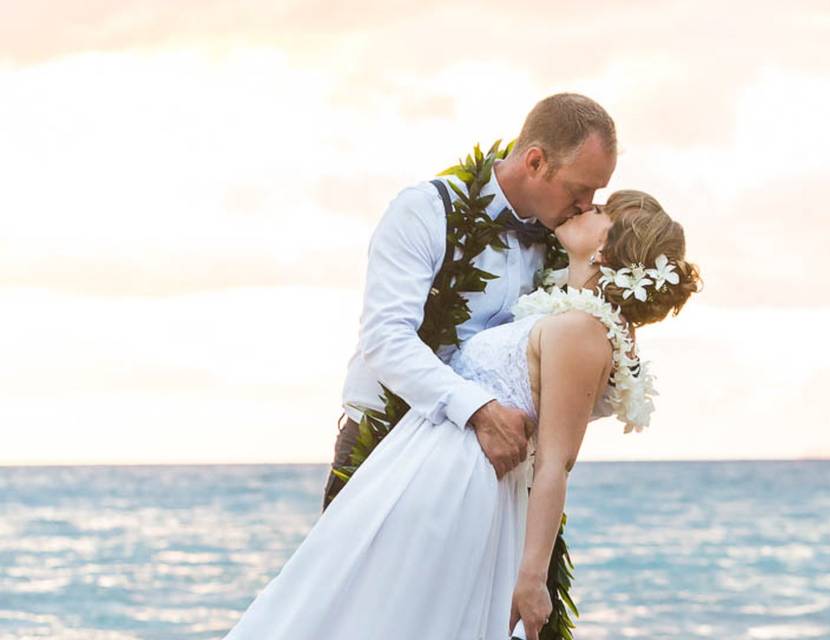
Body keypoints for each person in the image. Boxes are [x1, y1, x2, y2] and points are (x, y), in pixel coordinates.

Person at [223, 190, 702, 640]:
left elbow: (556, 461)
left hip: (458, 488)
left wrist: (532, 578)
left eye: (601, 210)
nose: (586, 206)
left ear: (605, 248)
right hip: (424, 469)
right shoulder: (567, 317)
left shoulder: (581, 331)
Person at [326, 93, 618, 509]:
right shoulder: (424, 211)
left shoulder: (565, 244)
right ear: (535, 162)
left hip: (489, 468)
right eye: (580, 188)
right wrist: (478, 410)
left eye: (597, 192)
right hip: (385, 442)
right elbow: (385, 339)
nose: (587, 205)